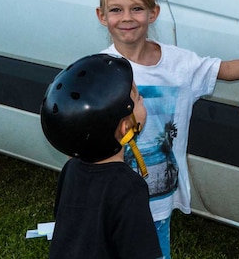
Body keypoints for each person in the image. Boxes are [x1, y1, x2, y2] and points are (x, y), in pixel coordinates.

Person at [95, 0, 239, 258]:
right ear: (102, 16)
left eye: (136, 8)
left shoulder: (178, 63)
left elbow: (225, 70)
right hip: (112, 197)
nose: (126, 18)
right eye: (116, 9)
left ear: (154, 13)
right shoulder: (98, 70)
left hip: (157, 200)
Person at [40, 53, 163, 259]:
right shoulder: (129, 187)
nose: (141, 100)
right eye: (137, 99)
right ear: (126, 128)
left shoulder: (71, 168)